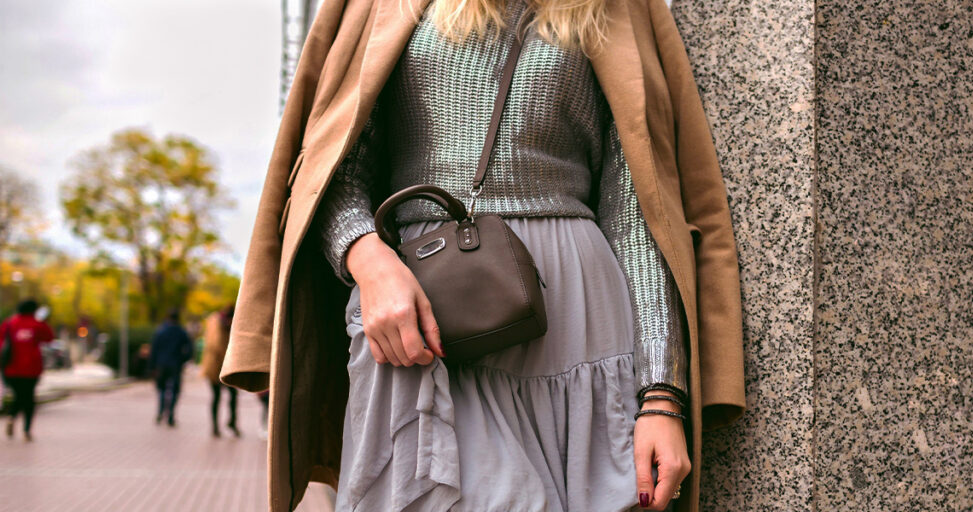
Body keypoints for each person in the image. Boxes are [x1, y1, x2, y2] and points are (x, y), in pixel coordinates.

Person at [219, 0, 746, 511]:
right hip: (418, 324)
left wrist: (661, 397)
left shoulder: (617, 7)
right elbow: (329, 172)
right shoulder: (377, 4)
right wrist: (370, 264)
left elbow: (639, 213)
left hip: (577, 328)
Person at [0, 299, 55, 442]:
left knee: (18, 396)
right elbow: (49, 337)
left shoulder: (9, 323)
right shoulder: (37, 324)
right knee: (28, 398)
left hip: (11, 368)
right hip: (31, 368)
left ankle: (12, 417)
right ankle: (26, 430)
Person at [199, 306, 239, 437]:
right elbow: (215, 345)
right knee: (216, 397)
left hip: (228, 366)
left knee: (233, 395)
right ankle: (215, 427)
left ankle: (232, 422)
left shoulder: (230, 324)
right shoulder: (215, 323)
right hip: (215, 367)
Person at [149, 310, 193, 427]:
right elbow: (190, 348)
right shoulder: (181, 332)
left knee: (162, 389)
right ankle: (171, 415)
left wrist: (152, 366)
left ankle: (161, 412)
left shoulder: (161, 331)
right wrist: (183, 359)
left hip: (161, 365)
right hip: (176, 365)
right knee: (174, 391)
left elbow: (154, 349)